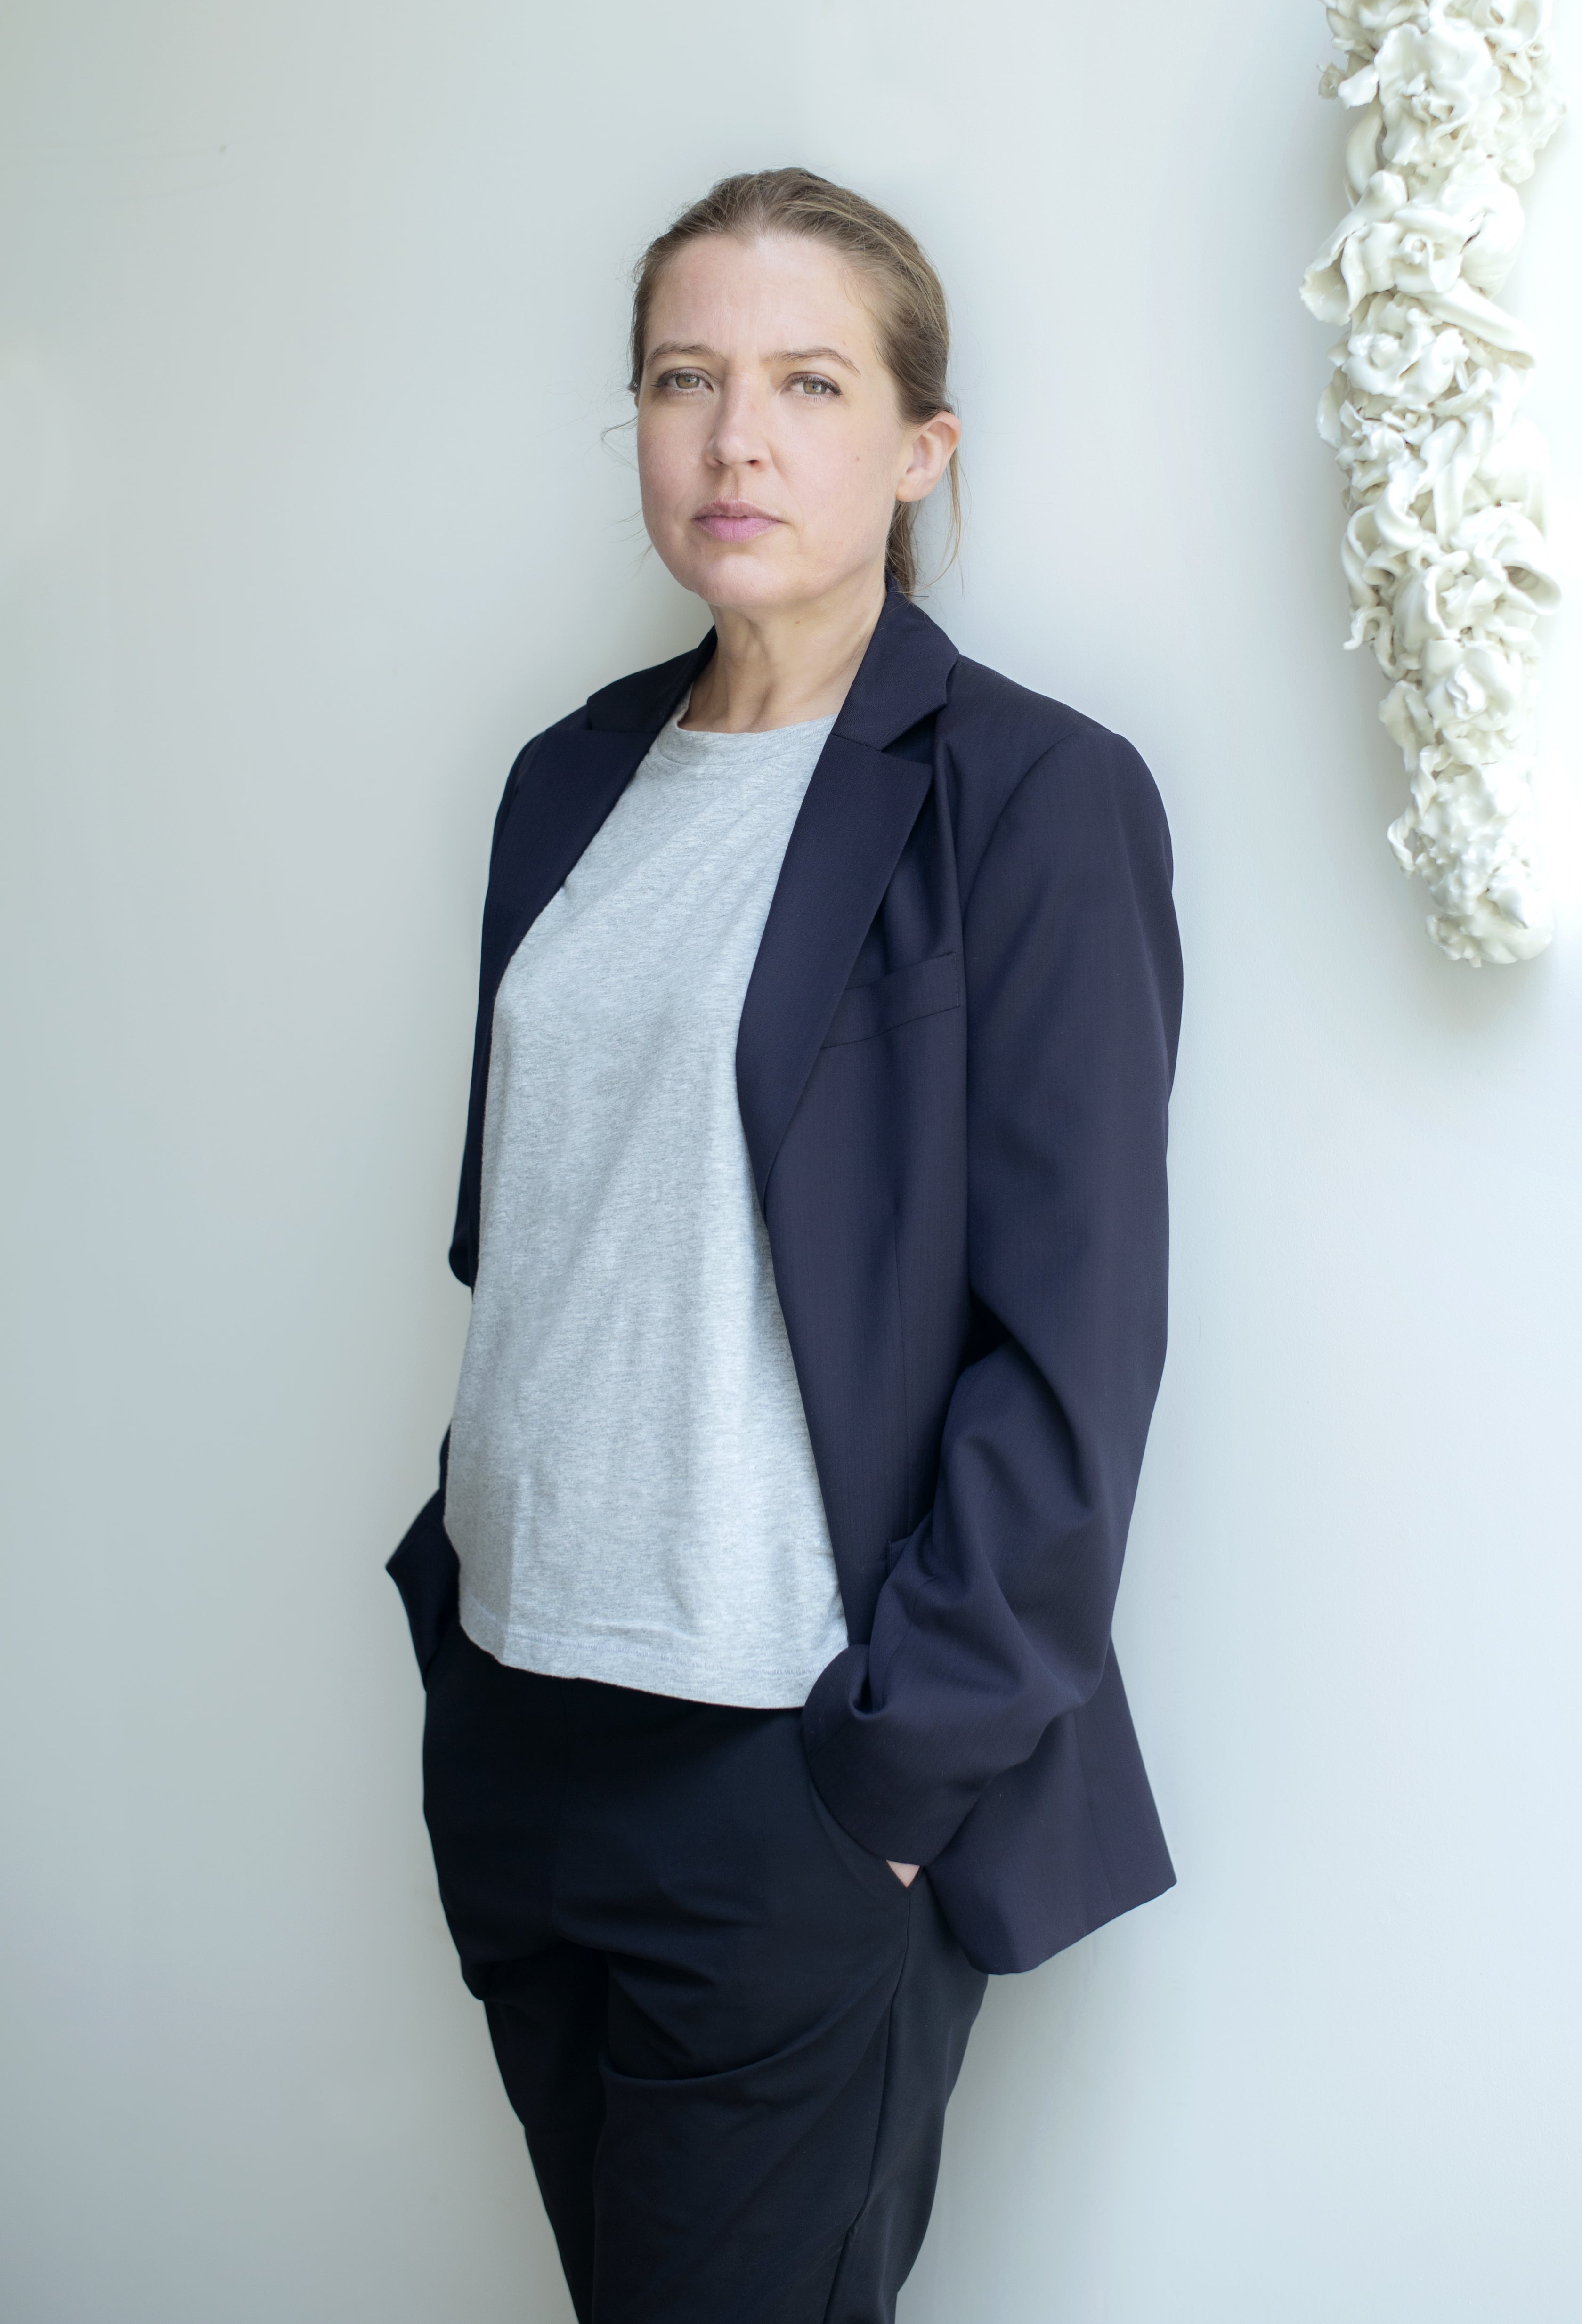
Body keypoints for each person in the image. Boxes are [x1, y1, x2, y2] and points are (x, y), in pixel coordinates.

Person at [388, 168, 1182, 2324]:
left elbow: (1073, 1350)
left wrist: (882, 1782)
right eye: (683, 379)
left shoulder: (1026, 796)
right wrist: (466, 1643)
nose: (734, 438)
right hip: (524, 1721)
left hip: (786, 1768)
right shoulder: (567, 781)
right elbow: (539, 1239)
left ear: (920, 449)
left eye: (808, 384)